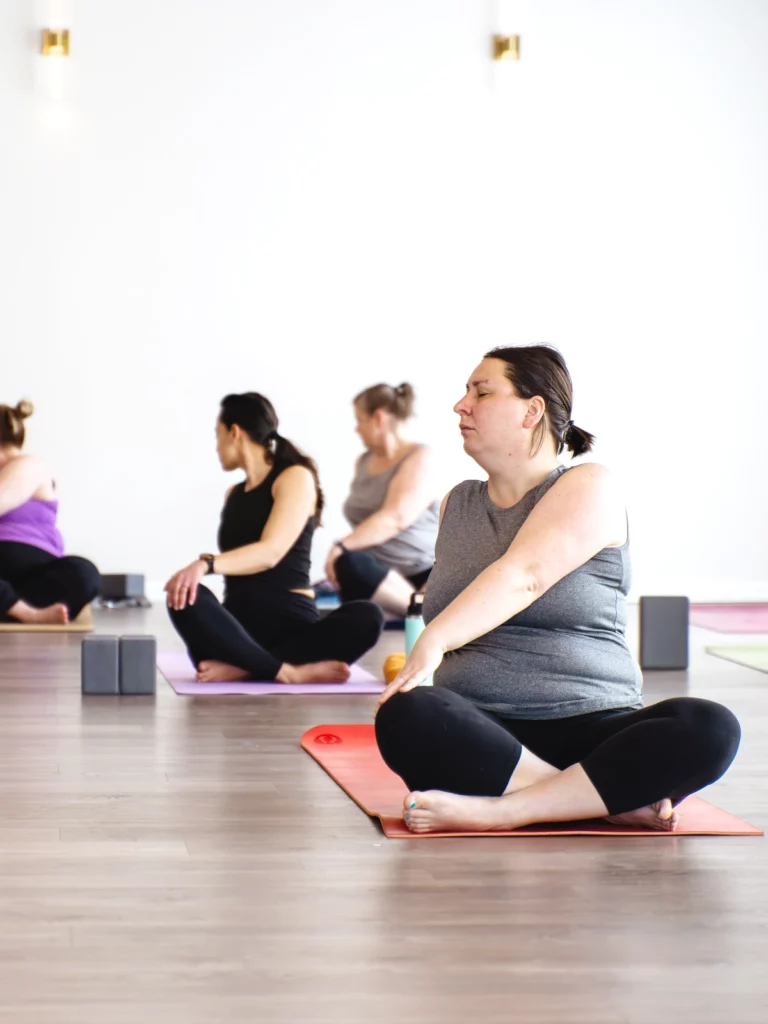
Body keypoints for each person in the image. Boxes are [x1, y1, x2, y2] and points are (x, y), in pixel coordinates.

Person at [375, 346, 741, 834]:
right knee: (407, 714)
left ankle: (505, 810)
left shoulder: (589, 485)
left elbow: (524, 574)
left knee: (710, 727)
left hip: (594, 731)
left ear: (533, 411)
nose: (460, 405)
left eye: (481, 392)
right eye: (465, 393)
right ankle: (593, 800)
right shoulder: (455, 505)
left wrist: (434, 639)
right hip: (485, 734)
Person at [166, 392, 383, 682]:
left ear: (235, 432)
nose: (216, 447)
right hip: (238, 628)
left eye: (217, 435)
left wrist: (205, 564)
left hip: (292, 624)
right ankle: (286, 670)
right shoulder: (233, 494)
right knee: (183, 595)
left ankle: (248, 667)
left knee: (368, 616)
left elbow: (271, 552)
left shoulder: (294, 476)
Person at [325, 383, 440, 617]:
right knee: (349, 565)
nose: (356, 429)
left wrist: (340, 546)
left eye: (359, 420)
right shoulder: (364, 462)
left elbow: (396, 518)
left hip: (425, 573)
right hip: (380, 575)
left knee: (347, 559)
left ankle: (423, 612)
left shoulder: (419, 457)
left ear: (378, 418)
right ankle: (415, 609)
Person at [0, 400, 100, 624]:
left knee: (84, 573)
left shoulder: (31, 465)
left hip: (35, 576)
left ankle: (12, 608)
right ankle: (21, 612)